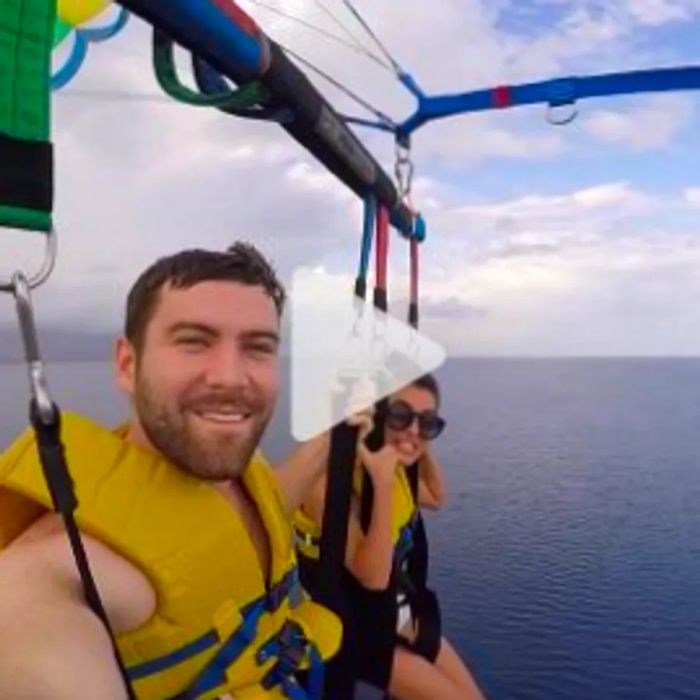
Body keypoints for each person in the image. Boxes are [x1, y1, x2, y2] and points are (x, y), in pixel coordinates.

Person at [0, 243, 341, 700]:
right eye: (194, 342)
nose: (230, 377)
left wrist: (343, 425)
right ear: (127, 365)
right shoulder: (52, 580)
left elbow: (269, 503)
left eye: (258, 348)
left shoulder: (242, 476)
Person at [293, 375, 486, 700]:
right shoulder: (328, 481)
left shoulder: (394, 468)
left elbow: (437, 496)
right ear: (373, 414)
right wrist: (381, 482)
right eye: (400, 415)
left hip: (395, 612)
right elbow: (371, 577)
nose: (413, 428)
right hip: (353, 624)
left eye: (427, 422)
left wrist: (417, 444)